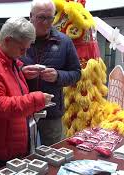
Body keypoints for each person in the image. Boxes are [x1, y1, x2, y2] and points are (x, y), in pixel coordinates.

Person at [0, 17, 53, 175]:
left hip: (10, 145)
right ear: (8, 40)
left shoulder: (12, 62)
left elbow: (14, 95)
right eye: (22, 49)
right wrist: (36, 100)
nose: (24, 54)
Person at [21, 0, 81, 146]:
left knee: (53, 151)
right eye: (42, 17)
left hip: (51, 110)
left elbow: (76, 73)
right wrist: (21, 72)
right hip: (22, 108)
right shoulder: (20, 39)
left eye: (50, 18)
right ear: (31, 16)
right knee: (22, 155)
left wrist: (58, 76)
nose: (47, 22)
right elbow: (6, 68)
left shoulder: (64, 42)